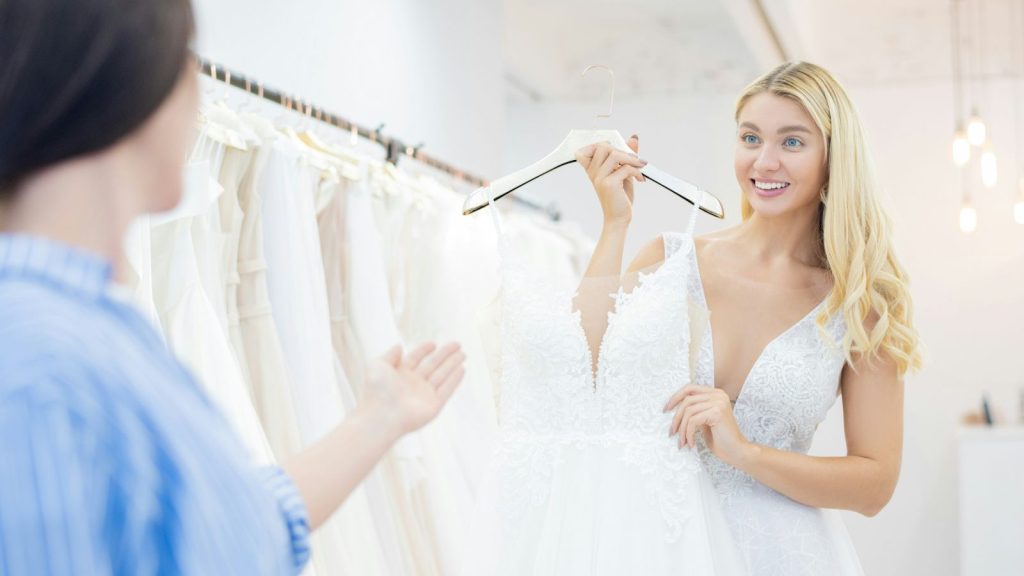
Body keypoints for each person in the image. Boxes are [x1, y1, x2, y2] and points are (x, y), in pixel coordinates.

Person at [0, 0, 464, 573]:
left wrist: (379, 416)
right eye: (184, 65)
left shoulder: (88, 332)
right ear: (126, 87)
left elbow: (224, 528)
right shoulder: (39, 367)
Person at [576, 61, 922, 575]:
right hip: (657, 544)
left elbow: (875, 485)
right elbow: (582, 372)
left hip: (781, 555)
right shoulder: (669, 260)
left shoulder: (859, 303)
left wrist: (746, 452)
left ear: (834, 160)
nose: (764, 161)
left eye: (792, 142)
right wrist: (615, 224)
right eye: (751, 137)